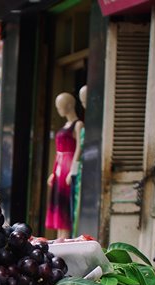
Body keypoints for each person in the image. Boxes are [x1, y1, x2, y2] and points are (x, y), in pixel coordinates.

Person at [46, 92, 83, 239]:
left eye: (59, 105)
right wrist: (53, 172)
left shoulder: (78, 125)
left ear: (68, 105)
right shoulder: (66, 125)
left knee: (65, 207)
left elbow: (79, 147)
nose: (58, 108)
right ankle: (59, 238)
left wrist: (72, 170)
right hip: (60, 167)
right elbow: (58, 151)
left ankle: (65, 240)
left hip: (68, 167)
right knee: (58, 203)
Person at [70, 85, 87, 236]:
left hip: (89, 169)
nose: (84, 103)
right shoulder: (84, 124)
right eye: (82, 100)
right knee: (77, 206)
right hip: (81, 168)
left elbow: (79, 148)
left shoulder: (83, 124)